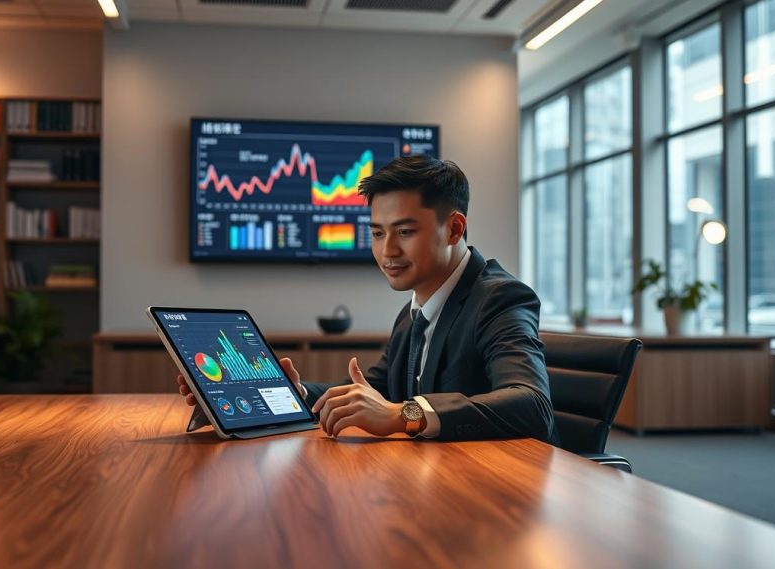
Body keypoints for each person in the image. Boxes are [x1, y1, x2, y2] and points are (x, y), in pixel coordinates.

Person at [178, 155, 559, 444]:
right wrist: (289, 393)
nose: (387, 250)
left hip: (499, 501)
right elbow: (374, 392)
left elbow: (532, 405)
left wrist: (403, 415)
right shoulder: (414, 313)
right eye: (377, 234)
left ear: (454, 229)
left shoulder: (500, 298)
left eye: (404, 231)